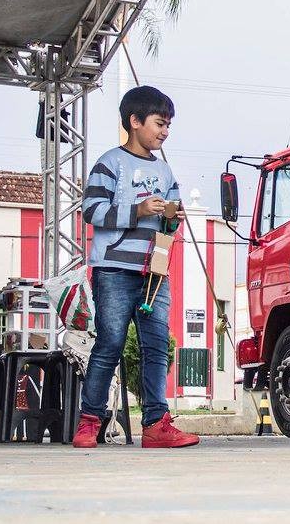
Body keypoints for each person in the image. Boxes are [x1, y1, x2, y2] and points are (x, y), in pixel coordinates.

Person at [73, 86, 199, 449]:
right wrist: (139, 210)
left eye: (168, 125)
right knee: (110, 344)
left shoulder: (165, 170)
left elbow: (171, 221)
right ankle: (89, 422)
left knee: (157, 346)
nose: (165, 132)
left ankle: (157, 425)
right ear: (134, 121)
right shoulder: (110, 163)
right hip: (113, 269)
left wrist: (174, 217)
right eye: (160, 123)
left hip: (154, 273)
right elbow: (92, 211)